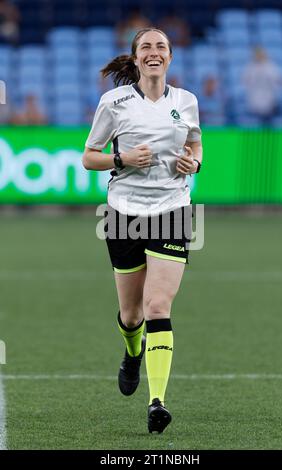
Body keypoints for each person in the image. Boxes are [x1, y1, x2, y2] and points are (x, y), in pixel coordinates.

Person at [82, 28, 202, 434]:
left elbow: (196, 144)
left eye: (161, 47)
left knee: (157, 308)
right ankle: (132, 353)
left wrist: (194, 164)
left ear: (170, 57)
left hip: (172, 209)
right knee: (132, 315)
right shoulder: (113, 103)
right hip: (124, 213)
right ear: (135, 58)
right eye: (146, 47)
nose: (154, 52)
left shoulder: (186, 101)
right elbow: (89, 157)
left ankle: (157, 403)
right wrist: (123, 157)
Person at [242, 47, 282, 126]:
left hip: (269, 99)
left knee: (268, 119)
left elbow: (277, 82)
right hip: (254, 99)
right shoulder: (250, 67)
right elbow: (245, 82)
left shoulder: (271, 66)